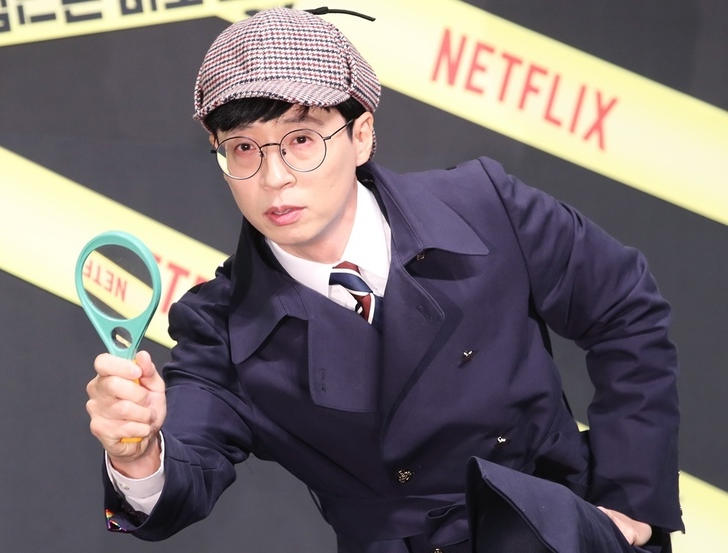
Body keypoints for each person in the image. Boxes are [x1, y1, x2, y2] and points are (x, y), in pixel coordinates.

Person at [85, 7, 683, 553]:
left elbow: (625, 309)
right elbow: (180, 481)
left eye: (301, 140)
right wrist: (137, 454)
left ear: (362, 134)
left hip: (561, 532)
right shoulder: (221, 324)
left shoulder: (484, 205)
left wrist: (632, 501)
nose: (274, 177)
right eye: (243, 149)